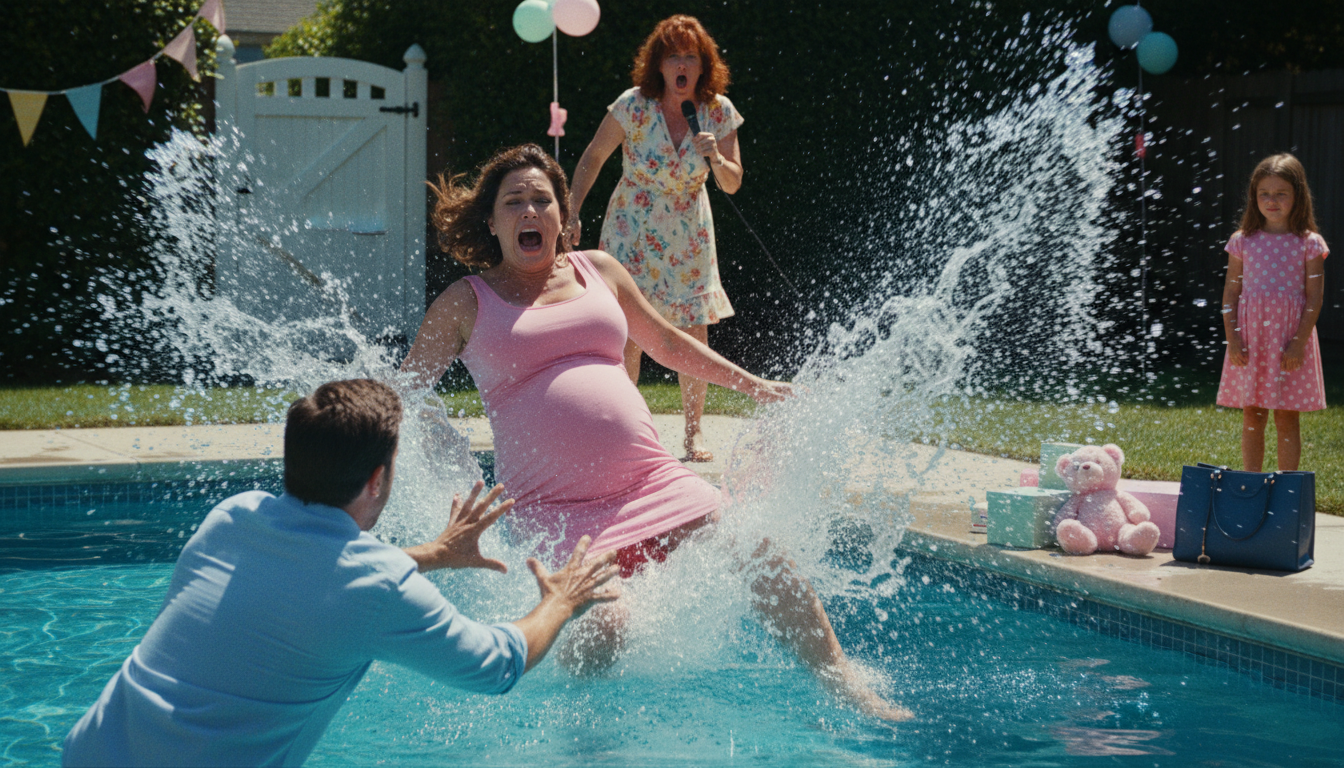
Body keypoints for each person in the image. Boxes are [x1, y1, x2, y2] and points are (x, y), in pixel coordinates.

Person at [400, 144, 911, 721]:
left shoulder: (601, 270)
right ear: (491, 221)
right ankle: (587, 742)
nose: (529, 211)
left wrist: (755, 387)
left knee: (762, 552)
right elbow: (406, 396)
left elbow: (666, 342)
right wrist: (440, 464)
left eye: (542, 200)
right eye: (513, 201)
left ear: (563, 216)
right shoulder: (467, 301)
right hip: (555, 510)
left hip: (653, 483)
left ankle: (843, 682)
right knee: (606, 628)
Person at [62, 379, 618, 767]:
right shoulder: (375, 587)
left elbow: (315, 580)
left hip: (92, 750)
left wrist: (435, 551)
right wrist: (560, 600)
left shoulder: (232, 518)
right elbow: (497, 666)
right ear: (377, 479)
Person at [568, 14, 745, 462]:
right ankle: (630, 432)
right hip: (633, 223)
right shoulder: (633, 105)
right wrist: (571, 209)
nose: (681, 65)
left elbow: (733, 182)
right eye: (673, 57)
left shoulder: (718, 110)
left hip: (688, 228)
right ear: (659, 65)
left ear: (703, 66)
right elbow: (593, 156)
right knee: (625, 328)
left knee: (692, 328)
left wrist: (715, 159)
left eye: (690, 57)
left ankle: (693, 433)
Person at [1217, 153, 1328, 471]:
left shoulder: (1309, 243)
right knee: (1253, 413)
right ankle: (1251, 484)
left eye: (1281, 193)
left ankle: (1286, 491)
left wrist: (1298, 342)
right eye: (1264, 193)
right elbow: (1231, 292)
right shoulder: (1242, 241)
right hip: (1252, 339)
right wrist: (1233, 338)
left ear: (1298, 196)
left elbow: (1314, 298)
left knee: (1286, 415)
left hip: (1290, 339)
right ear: (1254, 197)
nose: (1272, 200)